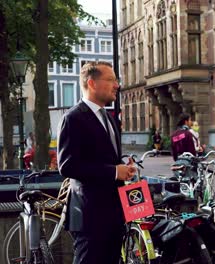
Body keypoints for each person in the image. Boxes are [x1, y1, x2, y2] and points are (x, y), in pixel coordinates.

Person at [57, 61, 137, 264]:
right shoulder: (73, 118)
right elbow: (67, 166)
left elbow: (107, 159)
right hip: (90, 216)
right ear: (91, 83)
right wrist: (112, 172)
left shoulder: (109, 118)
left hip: (114, 213)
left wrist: (124, 169)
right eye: (110, 80)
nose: (117, 85)